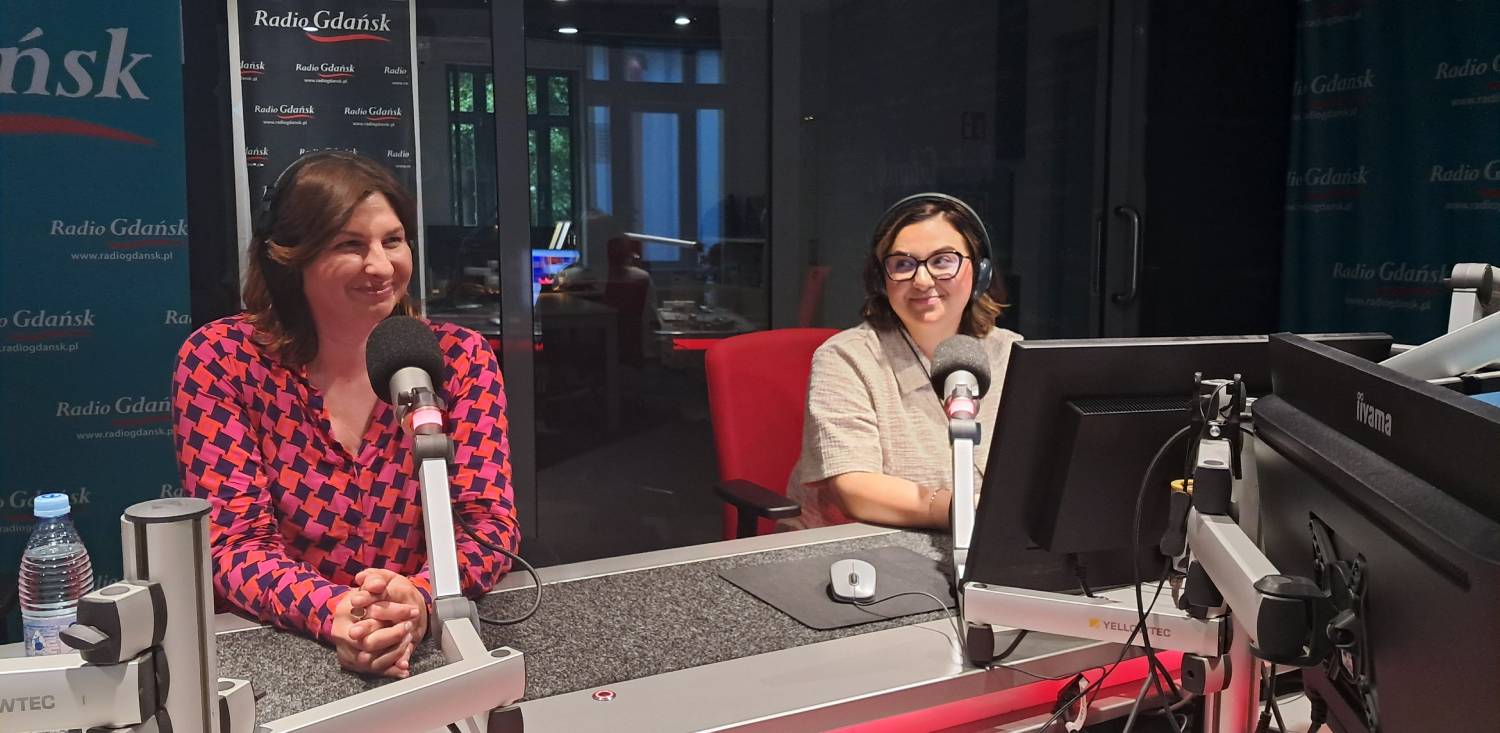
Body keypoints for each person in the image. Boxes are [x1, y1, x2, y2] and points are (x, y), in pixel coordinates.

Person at [171, 152, 520, 678]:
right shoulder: (221, 359)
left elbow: (488, 524)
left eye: (392, 241)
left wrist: (419, 597)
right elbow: (235, 544)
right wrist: (335, 612)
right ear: (290, 256)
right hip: (281, 651)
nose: (380, 266)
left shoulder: (459, 357)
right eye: (350, 245)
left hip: (422, 643)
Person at [785, 193, 1022, 529]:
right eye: (903, 264)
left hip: (989, 538)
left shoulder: (1011, 353)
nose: (922, 280)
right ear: (881, 281)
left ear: (980, 272)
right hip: (856, 545)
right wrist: (965, 510)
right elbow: (855, 490)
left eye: (943, 261)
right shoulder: (846, 358)